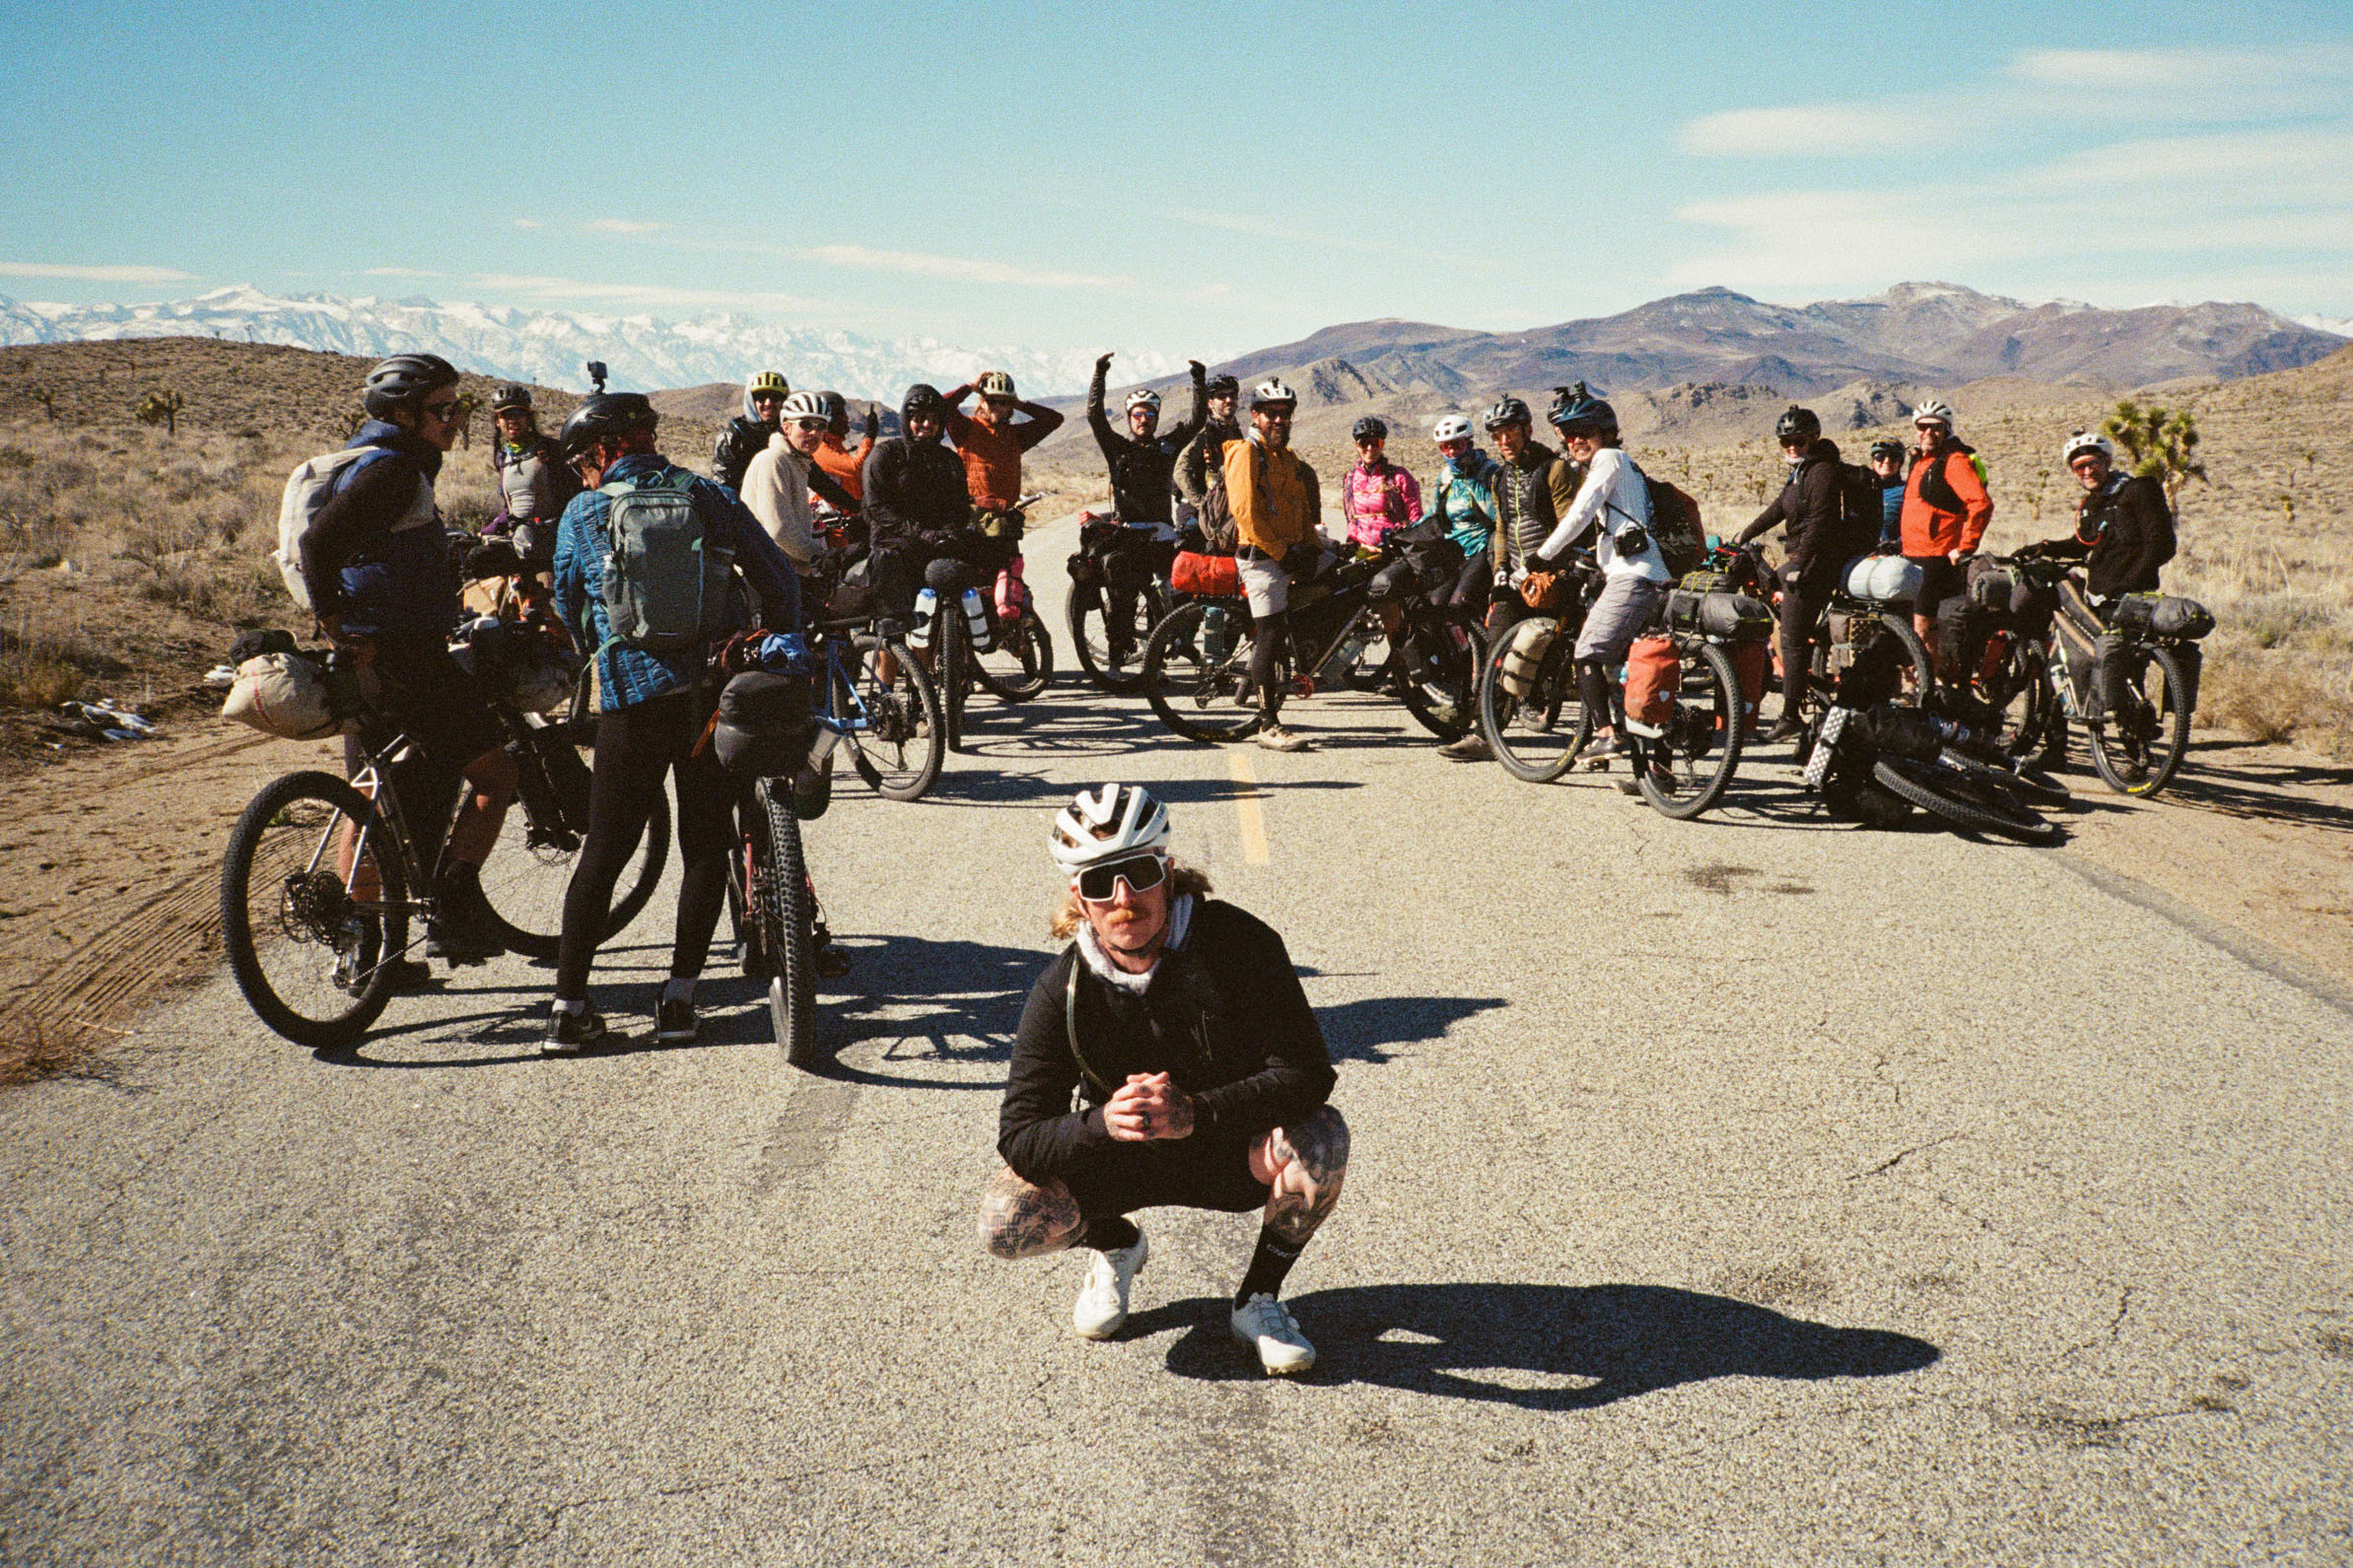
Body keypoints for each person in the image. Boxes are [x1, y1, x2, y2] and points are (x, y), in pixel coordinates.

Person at [979, 784, 1350, 1376]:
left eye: (1138, 873)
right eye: (1101, 884)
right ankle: (1116, 1246)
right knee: (1005, 1221)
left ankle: (1257, 1300)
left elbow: (1307, 1074)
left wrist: (1196, 1112)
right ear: (1079, 897)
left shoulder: (1242, 946)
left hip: (1230, 1152)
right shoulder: (1061, 990)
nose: (1123, 897)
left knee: (1321, 1138)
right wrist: (1102, 1122)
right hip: (1121, 1161)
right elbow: (1019, 1137)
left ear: (1168, 872)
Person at [544, 392, 804, 1054]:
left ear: (604, 451)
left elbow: (567, 599)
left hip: (629, 703)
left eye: (583, 460)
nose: (582, 473)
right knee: (704, 846)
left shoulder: (582, 511)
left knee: (604, 851)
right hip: (705, 699)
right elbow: (778, 577)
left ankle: (569, 1008)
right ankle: (681, 1000)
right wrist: (774, 639)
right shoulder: (707, 495)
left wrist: (599, 647)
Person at [303, 352, 516, 964]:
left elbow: (376, 546)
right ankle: (454, 904)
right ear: (401, 413)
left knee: (371, 797)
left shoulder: (377, 461)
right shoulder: (393, 470)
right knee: (495, 774)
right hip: (403, 655)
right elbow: (319, 545)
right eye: (441, 410)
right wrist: (339, 626)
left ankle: (364, 955)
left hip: (374, 657)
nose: (454, 420)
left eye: (458, 407)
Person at [1529, 383, 1669, 790]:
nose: (1576, 441)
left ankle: (1604, 736)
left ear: (1605, 432)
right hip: (1649, 576)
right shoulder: (1627, 467)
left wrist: (1544, 555)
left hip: (1634, 578)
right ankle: (1657, 772)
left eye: (1584, 432)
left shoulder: (1608, 459)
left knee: (1587, 652)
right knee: (1635, 674)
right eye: (1569, 435)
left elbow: (1581, 511)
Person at [1737, 406, 1864, 742]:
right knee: (1763, 582)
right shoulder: (1800, 473)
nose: (1792, 447)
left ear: (1813, 439)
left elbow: (1821, 523)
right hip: (1802, 558)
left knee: (1792, 641)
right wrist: (1744, 535)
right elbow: (1779, 508)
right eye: (1786, 442)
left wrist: (1799, 566)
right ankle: (1804, 656)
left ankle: (1790, 715)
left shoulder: (1821, 471)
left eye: (1799, 441)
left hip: (1815, 562)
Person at [1087, 354, 1210, 662]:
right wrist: (1100, 374)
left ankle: (1158, 661)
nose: (1144, 420)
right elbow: (1094, 418)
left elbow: (1196, 421)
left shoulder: (1166, 448)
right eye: (1138, 414)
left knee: (1169, 595)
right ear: (1130, 418)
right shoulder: (1118, 450)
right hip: (1127, 534)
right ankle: (1117, 659)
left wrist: (1198, 380)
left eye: (1150, 415)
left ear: (1156, 418)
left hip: (1161, 533)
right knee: (1122, 599)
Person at [1226, 379, 1326, 753]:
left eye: (1286, 414)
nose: (1279, 420)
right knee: (1270, 632)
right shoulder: (1246, 453)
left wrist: (1316, 549)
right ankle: (1267, 724)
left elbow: (1300, 511)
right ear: (1255, 415)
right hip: (1261, 557)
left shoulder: (1286, 457)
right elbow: (1246, 515)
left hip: (1290, 550)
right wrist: (1284, 555)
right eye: (1271, 413)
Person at [862, 382, 976, 647]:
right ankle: (886, 686)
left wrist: (950, 531)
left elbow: (960, 506)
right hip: (895, 549)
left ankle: (958, 661)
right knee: (894, 633)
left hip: (936, 544)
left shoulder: (949, 460)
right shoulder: (886, 454)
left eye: (933, 420)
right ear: (906, 419)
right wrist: (920, 533)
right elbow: (876, 508)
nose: (926, 424)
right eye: (918, 418)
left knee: (932, 622)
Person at [1427, 413, 1505, 762]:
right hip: (1454, 550)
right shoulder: (1446, 476)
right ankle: (1460, 688)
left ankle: (1484, 668)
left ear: (1470, 443)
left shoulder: (1488, 472)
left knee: (1459, 605)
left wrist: (1473, 478)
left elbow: (1498, 517)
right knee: (1436, 606)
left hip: (1483, 549)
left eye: (1457, 445)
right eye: (1446, 447)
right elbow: (1434, 514)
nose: (1452, 452)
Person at [1898, 399, 1991, 681]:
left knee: (1923, 624)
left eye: (1935, 428)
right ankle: (1926, 679)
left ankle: (1927, 685)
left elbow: (1980, 503)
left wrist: (1965, 547)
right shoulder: (1920, 460)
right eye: (1922, 427)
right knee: (1915, 623)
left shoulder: (1954, 461)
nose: (1928, 433)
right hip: (1912, 552)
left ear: (1947, 429)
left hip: (1936, 555)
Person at [2028, 430, 2176, 602]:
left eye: (2093, 463)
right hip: (2097, 598)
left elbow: (2162, 545)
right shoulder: (2093, 503)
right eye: (2079, 467)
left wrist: (2128, 584)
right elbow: (2082, 544)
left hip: (2134, 598)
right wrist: (2045, 547)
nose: (2088, 471)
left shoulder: (2139, 490)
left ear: (2107, 461)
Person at [1484, 395, 1581, 636]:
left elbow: (1568, 528)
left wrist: (1538, 566)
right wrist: (1500, 570)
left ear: (1527, 430)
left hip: (1549, 577)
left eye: (1511, 432)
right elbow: (1502, 528)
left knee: (1545, 653)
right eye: (1497, 436)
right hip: (1515, 577)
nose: (1505, 441)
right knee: (1497, 645)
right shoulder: (1499, 478)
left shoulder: (1553, 469)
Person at [944, 370, 1065, 556]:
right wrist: (970, 388)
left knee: (1011, 581)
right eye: (992, 400)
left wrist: (1019, 403)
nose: (997, 407)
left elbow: (1054, 420)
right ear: (982, 402)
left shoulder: (1016, 436)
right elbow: (941, 406)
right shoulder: (966, 429)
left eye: (1004, 402)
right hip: (972, 522)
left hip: (1006, 524)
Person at [740, 389, 859, 572]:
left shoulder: (798, 464)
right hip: (766, 575)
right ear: (787, 427)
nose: (814, 432)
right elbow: (779, 529)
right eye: (805, 424)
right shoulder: (773, 460)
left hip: (787, 569)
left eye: (821, 426)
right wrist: (819, 556)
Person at [485, 382, 578, 564]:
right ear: (497, 421)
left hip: (553, 546)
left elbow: (572, 494)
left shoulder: (550, 450)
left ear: (528, 418)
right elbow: (509, 509)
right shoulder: (503, 458)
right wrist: (487, 531)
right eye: (505, 415)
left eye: (518, 414)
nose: (513, 420)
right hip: (521, 543)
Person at [1340, 416, 1423, 552]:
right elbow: (1352, 520)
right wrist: (1351, 543)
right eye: (1364, 443)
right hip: (1365, 550)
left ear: (1382, 444)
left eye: (1375, 443)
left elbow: (1415, 516)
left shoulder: (1399, 476)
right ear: (1357, 446)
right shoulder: (1350, 479)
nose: (1370, 448)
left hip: (1395, 550)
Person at [1176, 373, 1244, 523]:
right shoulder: (1204, 432)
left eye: (1232, 395)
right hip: (1195, 514)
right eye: (1222, 396)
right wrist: (1202, 505)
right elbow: (1180, 471)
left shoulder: (1234, 431)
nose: (1229, 400)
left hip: (1223, 510)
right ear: (1210, 402)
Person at [711, 371, 791, 493]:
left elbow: (812, 475)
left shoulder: (791, 433)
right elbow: (722, 485)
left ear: (783, 401)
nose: (768, 403)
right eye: (761, 397)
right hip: (741, 505)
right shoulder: (734, 435)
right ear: (751, 400)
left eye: (775, 397)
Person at [811, 391, 876, 509]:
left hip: (851, 515)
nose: (846, 418)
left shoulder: (834, 444)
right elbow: (854, 469)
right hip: (832, 523)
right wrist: (870, 437)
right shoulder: (819, 448)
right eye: (841, 414)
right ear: (828, 419)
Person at [1867, 438, 1906, 553]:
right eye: (1880, 457)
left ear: (1900, 463)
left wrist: (1900, 543)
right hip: (1861, 557)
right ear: (1873, 462)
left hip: (1894, 557)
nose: (1887, 461)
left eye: (1893, 457)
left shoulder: (1908, 490)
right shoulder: (1862, 490)